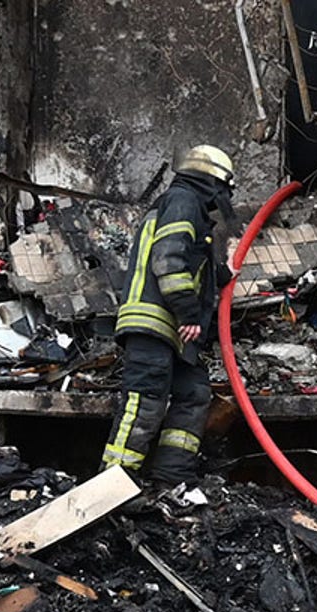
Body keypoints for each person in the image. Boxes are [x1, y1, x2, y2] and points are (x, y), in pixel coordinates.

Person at [102, 145, 236, 485]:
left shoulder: (187, 207)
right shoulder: (182, 201)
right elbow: (168, 259)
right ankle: (112, 487)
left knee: (194, 393)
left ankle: (171, 479)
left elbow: (191, 264)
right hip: (155, 324)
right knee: (145, 401)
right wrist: (189, 313)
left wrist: (222, 274)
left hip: (172, 332)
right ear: (212, 182)